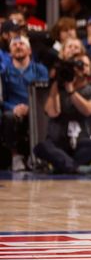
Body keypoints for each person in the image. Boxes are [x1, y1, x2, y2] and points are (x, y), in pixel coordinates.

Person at [35, 52, 91, 174]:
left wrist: (71, 91)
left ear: (90, 69)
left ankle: (60, 165)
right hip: (57, 142)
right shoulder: (58, 89)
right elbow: (52, 112)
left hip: (80, 143)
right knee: (41, 147)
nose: (80, 67)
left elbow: (88, 110)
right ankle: (77, 168)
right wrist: (56, 84)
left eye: (83, 65)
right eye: (77, 64)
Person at [1, 36, 48, 171]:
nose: (18, 46)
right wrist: (14, 108)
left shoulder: (40, 69)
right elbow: (2, 99)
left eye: (22, 44)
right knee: (8, 117)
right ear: (10, 53)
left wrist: (30, 107)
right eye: (14, 45)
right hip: (13, 109)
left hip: (35, 107)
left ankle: (35, 155)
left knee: (39, 116)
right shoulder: (4, 73)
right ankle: (15, 156)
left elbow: (42, 94)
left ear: (29, 50)